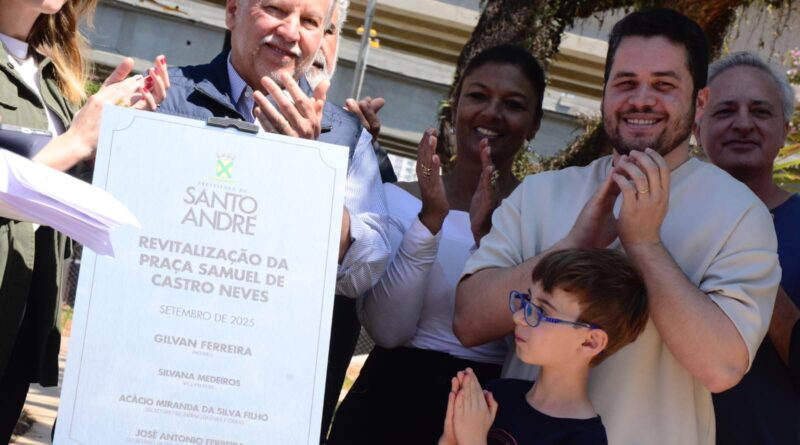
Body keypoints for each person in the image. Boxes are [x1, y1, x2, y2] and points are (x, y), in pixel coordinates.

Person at [453, 9, 780, 444]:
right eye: (626, 83)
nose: (641, 99)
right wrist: (573, 244)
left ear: (700, 102)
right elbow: (468, 321)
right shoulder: (541, 193)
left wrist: (644, 244)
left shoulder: (740, 213)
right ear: (604, 92)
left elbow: (723, 368)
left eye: (663, 85)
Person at [156, 0, 390, 440]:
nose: (291, 32)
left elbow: (367, 268)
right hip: (156, 376)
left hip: (262, 398)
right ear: (232, 12)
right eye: (275, 9)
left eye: (310, 22)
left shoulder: (345, 137)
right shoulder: (163, 99)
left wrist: (307, 170)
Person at [326, 44, 545, 445]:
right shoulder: (395, 199)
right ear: (455, 106)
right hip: (387, 408)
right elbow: (388, 331)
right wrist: (429, 222)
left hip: (493, 414)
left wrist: (487, 239)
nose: (492, 113)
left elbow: (536, 341)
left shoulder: (545, 214)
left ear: (535, 123)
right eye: (477, 96)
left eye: (513, 104)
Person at [0, 0, 169, 440]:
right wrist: (76, 139)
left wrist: (109, 138)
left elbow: (57, 194)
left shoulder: (50, 75)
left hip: (21, 321)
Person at [695, 51, 800, 444]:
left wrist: (750, 258)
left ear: (785, 130)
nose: (742, 124)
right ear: (696, 128)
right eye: (725, 111)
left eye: (760, 111)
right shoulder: (653, 221)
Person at [440, 248, 649, 445]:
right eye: (527, 301)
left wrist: (473, 439)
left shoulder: (584, 439)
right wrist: (450, 437)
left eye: (542, 311)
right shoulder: (497, 394)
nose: (518, 317)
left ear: (590, 342)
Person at [306, 0, 396, 183]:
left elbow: (385, 197)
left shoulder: (354, 137)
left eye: (329, 31)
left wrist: (361, 155)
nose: (318, 43)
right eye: (309, 24)